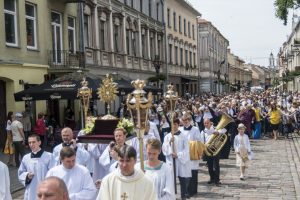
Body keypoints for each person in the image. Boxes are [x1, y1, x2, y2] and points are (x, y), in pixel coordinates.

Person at [162, 118, 191, 200]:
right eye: (172, 124)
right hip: (171, 161)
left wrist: (178, 155)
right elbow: (164, 149)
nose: (174, 126)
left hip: (180, 161)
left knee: (183, 179)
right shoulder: (167, 136)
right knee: (171, 180)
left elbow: (186, 149)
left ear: (178, 125)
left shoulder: (183, 136)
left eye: (175, 124)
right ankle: (172, 196)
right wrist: (169, 142)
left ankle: (183, 196)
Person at [18, 134, 52, 200]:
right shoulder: (26, 158)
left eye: (33, 142)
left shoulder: (49, 156)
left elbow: (54, 173)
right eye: (29, 142)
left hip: (45, 189)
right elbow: (21, 173)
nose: (31, 144)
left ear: (39, 142)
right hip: (31, 190)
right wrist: (27, 176)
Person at [179, 113, 201, 197]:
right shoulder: (180, 129)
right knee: (185, 173)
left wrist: (190, 144)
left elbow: (199, 140)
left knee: (193, 172)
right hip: (184, 154)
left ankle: (193, 190)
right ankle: (186, 190)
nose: (185, 122)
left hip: (193, 153)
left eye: (186, 120)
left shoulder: (195, 129)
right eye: (183, 120)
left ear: (190, 121)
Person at [201, 118, 226, 186]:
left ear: (210, 123)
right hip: (207, 150)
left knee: (216, 165)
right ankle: (212, 178)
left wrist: (218, 132)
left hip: (216, 148)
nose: (206, 124)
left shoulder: (215, 128)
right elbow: (201, 141)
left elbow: (225, 130)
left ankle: (217, 180)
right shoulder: (203, 132)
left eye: (207, 123)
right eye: (205, 123)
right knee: (210, 165)